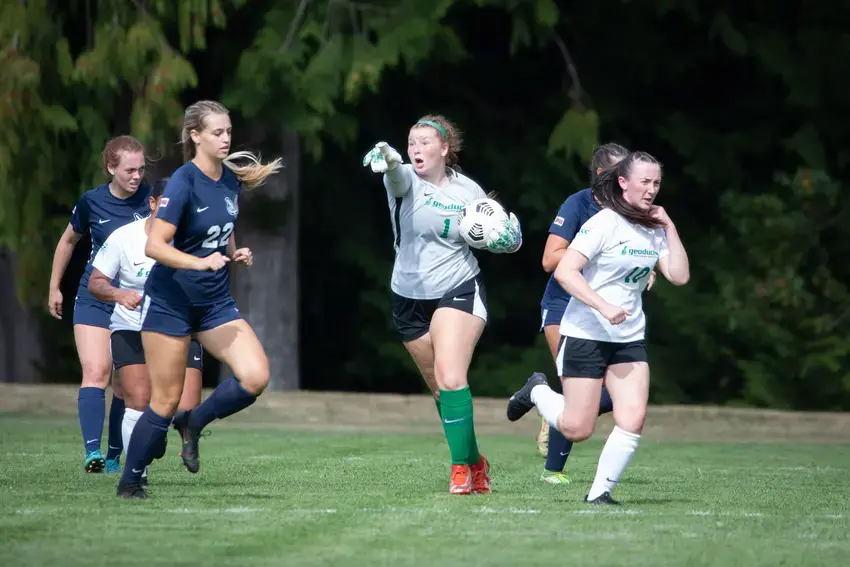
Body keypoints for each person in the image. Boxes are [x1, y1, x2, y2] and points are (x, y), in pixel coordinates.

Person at [115, 100, 283, 499]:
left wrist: (234, 252)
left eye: (228, 131)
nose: (226, 139)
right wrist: (198, 263)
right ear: (195, 136)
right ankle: (130, 481)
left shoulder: (229, 180)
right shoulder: (182, 181)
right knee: (165, 400)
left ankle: (194, 423)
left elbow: (223, 228)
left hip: (214, 304)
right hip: (171, 302)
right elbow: (156, 245)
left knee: (256, 376)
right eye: (217, 132)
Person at [507, 151, 689, 504]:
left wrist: (669, 226)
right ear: (623, 182)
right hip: (586, 333)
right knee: (578, 428)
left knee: (632, 418)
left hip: (629, 337)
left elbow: (679, 276)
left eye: (656, 183)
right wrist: (602, 305)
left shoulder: (654, 228)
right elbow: (563, 270)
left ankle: (599, 494)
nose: (651, 190)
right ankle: (537, 392)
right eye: (644, 182)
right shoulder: (604, 222)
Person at [362, 115, 522, 495]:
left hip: (458, 287)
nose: (416, 148)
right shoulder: (401, 179)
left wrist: (507, 237)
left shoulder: (469, 190)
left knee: (452, 378)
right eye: (411, 142)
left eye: (424, 142)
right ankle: (476, 462)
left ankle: (459, 470)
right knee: (441, 392)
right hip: (407, 296)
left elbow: (498, 235)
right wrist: (387, 155)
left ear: (444, 149)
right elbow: (396, 175)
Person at [531, 143, 639, 484]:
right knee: (577, 389)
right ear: (601, 175)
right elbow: (550, 260)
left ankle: (542, 398)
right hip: (564, 305)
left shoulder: (632, 211)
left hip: (606, 311)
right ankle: (553, 472)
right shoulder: (579, 204)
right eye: (621, 175)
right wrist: (592, 254)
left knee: (608, 395)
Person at [88, 178, 204, 484]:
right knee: (138, 397)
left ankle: (157, 431)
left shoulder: (190, 238)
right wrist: (118, 294)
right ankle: (138, 472)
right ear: (153, 203)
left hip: (175, 325)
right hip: (131, 326)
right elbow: (96, 282)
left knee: (187, 408)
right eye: (169, 201)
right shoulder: (124, 237)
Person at [48, 135, 152, 473]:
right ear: (110, 168)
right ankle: (92, 452)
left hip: (135, 303)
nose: (136, 176)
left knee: (125, 384)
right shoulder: (92, 202)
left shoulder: (153, 200)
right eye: (129, 170)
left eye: (140, 169)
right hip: (95, 296)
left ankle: (113, 455)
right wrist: (55, 286)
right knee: (96, 371)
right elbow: (68, 241)